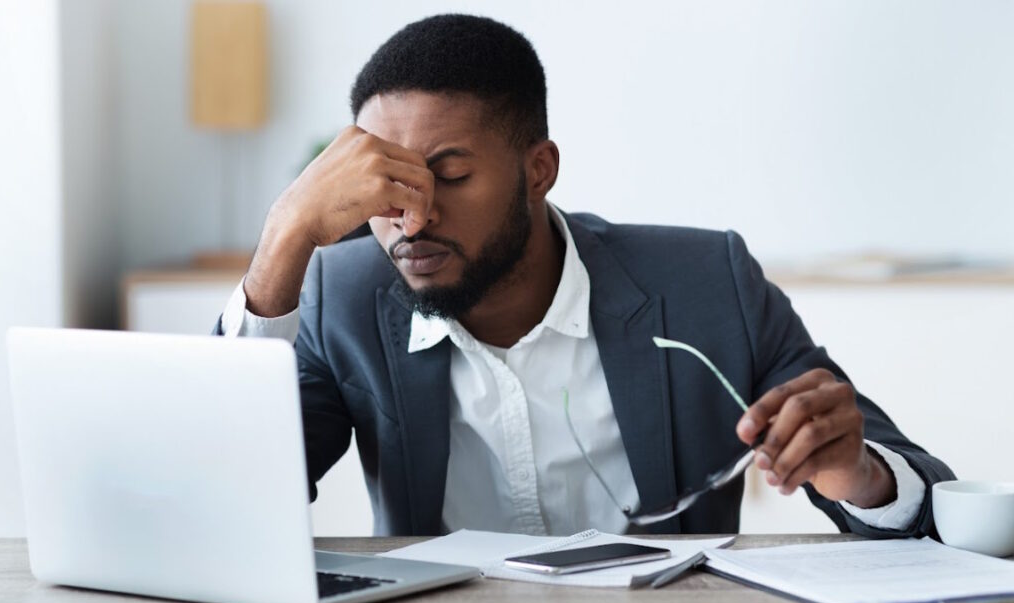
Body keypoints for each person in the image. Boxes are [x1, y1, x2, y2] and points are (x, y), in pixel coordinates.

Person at [216, 14, 953, 537]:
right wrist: (284, 237)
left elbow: (931, 504)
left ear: (539, 171)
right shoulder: (339, 298)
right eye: (388, 184)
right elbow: (231, 505)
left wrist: (859, 473)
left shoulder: (707, 284)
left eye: (451, 175)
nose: (411, 219)